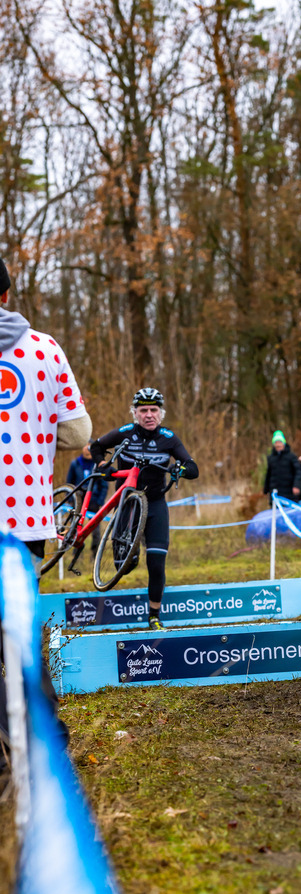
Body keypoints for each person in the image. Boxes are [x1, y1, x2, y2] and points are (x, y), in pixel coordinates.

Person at [0, 255, 91, 771]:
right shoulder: (44, 349)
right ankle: (46, 731)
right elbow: (77, 433)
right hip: (24, 517)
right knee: (19, 627)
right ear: (6, 295)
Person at [89, 388, 198, 630]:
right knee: (123, 565)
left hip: (156, 504)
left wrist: (180, 469)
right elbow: (96, 447)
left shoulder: (169, 438)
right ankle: (131, 553)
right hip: (128, 503)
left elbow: (193, 468)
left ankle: (154, 617)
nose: (149, 415)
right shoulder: (125, 433)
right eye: (143, 410)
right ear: (135, 413)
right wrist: (103, 464)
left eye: (154, 410)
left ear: (161, 413)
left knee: (156, 563)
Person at [66, 440, 109, 555]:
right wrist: (70, 499)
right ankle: (76, 554)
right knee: (75, 529)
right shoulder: (75, 464)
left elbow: (104, 485)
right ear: (82, 448)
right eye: (86, 446)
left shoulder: (98, 465)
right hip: (78, 501)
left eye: (90, 447)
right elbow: (69, 483)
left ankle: (95, 555)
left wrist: (99, 501)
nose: (88, 449)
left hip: (93, 502)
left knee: (95, 531)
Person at [263, 430, 301, 504]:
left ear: (283, 443)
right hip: (275, 492)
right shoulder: (271, 458)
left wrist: (296, 485)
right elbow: (269, 474)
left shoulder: (291, 456)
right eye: (276, 443)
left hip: (289, 491)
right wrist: (266, 490)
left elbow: (298, 471)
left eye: (279, 442)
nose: (278, 445)